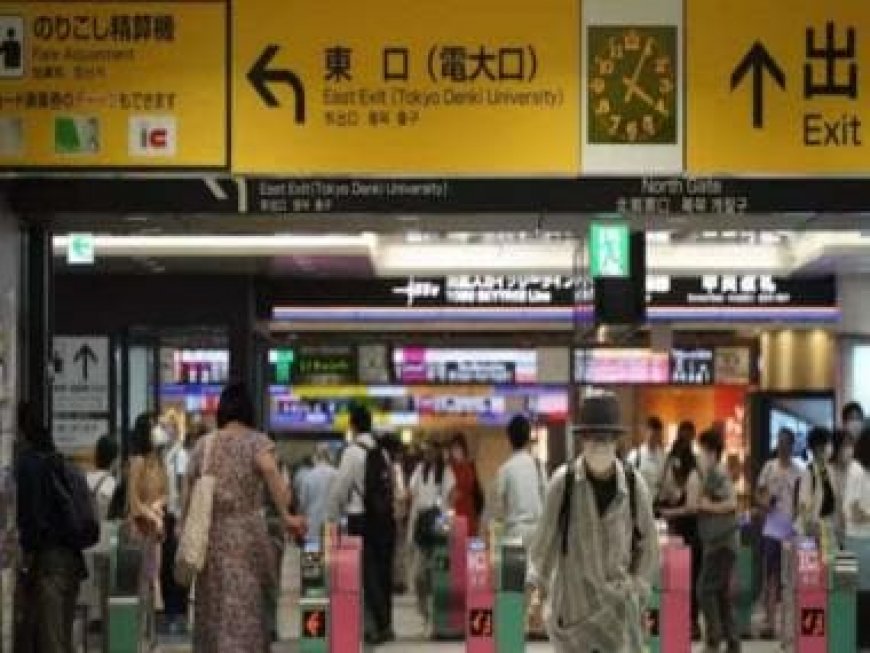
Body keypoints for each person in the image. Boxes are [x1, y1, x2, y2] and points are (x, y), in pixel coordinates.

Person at [527, 393, 659, 653]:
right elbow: (542, 547)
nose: (599, 444)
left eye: (605, 437)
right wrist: (532, 594)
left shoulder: (634, 487)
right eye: (592, 437)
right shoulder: (563, 485)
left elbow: (649, 546)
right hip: (573, 618)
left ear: (615, 440)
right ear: (582, 440)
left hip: (618, 618)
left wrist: (638, 591)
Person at [185, 383, 305, 652]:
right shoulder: (257, 442)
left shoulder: (204, 445)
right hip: (248, 536)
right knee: (247, 606)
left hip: (212, 539)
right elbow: (269, 469)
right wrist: (285, 511)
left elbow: (188, 496)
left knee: (214, 608)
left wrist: (186, 529)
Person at [15, 403, 89, 653]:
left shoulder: (27, 466)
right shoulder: (63, 464)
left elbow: (30, 521)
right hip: (72, 564)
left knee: (50, 642)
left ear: (22, 431)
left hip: (48, 566)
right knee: (62, 639)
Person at [327, 405, 396, 645]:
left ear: (353, 426)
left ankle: (378, 625)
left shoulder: (352, 452)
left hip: (359, 518)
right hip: (383, 519)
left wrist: (332, 519)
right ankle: (384, 622)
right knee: (381, 571)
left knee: (366, 575)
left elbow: (340, 488)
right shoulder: (383, 451)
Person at [755, 427, 803, 639]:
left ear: (792, 446)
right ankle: (770, 623)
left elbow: (803, 501)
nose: (782, 447)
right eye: (780, 442)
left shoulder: (800, 471)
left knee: (791, 578)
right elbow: (759, 493)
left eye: (786, 443)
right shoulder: (769, 467)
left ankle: (789, 624)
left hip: (792, 530)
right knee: (771, 576)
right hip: (772, 530)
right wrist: (765, 503)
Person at [696, 428, 741, 653]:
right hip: (720, 543)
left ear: (712, 452)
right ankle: (732, 641)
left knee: (704, 590)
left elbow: (732, 504)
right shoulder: (711, 474)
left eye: (703, 450)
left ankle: (714, 639)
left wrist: (707, 506)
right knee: (721, 593)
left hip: (721, 543)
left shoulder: (718, 473)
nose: (701, 455)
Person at [658, 423, 702, 639]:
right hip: (679, 533)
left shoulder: (693, 476)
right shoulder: (677, 474)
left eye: (677, 470)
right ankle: (679, 620)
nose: (675, 474)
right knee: (677, 579)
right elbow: (671, 492)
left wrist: (671, 513)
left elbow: (691, 507)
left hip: (693, 534)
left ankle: (692, 623)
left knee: (691, 580)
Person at [407, 441, 455, 636]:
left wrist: (445, 529)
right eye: (426, 452)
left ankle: (437, 620)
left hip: (439, 527)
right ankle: (424, 614)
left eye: (432, 451)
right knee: (419, 575)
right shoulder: (420, 470)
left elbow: (450, 499)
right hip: (420, 526)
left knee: (438, 575)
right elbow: (412, 492)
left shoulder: (446, 473)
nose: (429, 455)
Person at [127, 413, 169, 610]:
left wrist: (157, 507)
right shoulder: (137, 462)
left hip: (154, 528)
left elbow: (165, 493)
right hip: (140, 529)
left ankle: (148, 632)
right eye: (154, 427)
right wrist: (151, 514)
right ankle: (141, 632)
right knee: (143, 580)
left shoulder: (159, 463)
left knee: (154, 577)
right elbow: (133, 502)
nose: (158, 431)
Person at [491, 415, 546, 547]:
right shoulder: (538, 466)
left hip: (514, 533)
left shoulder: (505, 469)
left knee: (516, 568)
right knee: (536, 568)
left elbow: (497, 507)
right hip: (538, 532)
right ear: (528, 438)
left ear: (509, 440)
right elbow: (546, 498)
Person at [844, 427, 870, 649]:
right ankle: (860, 639)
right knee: (861, 591)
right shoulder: (856, 471)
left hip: (866, 539)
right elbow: (852, 510)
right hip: (859, 540)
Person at [797, 427, 836, 536]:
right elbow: (803, 504)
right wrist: (810, 527)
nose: (831, 448)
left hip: (827, 530)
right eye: (829, 443)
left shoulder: (830, 470)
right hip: (813, 531)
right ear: (819, 448)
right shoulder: (809, 472)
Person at [298, 443, 338, 539]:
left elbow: (303, 503)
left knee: (313, 552)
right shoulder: (337, 474)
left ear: (315, 457)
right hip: (333, 521)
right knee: (331, 551)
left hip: (312, 524)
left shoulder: (308, 476)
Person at [627, 416, 667, 505]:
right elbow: (628, 481)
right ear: (645, 432)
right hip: (640, 503)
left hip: (658, 503)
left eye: (658, 435)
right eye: (652, 434)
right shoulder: (635, 456)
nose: (655, 438)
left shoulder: (663, 457)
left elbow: (666, 481)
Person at [449, 432, 483, 536]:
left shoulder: (468, 467)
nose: (455, 451)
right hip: (453, 511)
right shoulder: (450, 467)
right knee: (457, 547)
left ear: (463, 449)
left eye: (458, 447)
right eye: (453, 448)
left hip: (467, 510)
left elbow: (471, 487)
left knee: (469, 545)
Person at [829, 429, 855, 547]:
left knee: (847, 564)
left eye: (851, 445)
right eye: (845, 445)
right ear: (836, 447)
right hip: (829, 535)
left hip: (852, 536)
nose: (849, 449)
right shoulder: (825, 471)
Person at [87, 435, 119, 522]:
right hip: (105, 531)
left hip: (86, 531)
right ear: (114, 460)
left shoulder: (84, 479)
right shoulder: (114, 485)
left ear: (96, 455)